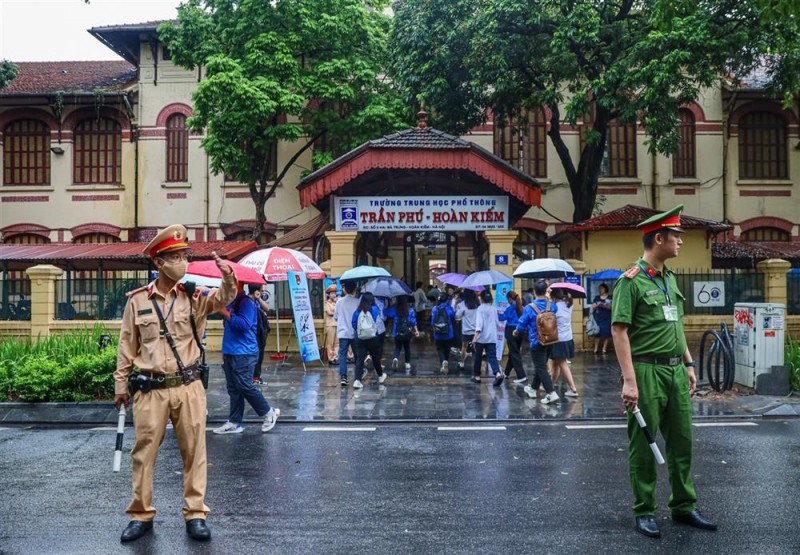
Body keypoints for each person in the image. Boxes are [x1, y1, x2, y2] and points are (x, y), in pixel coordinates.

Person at [114, 225, 237, 543]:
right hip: (150, 389)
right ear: (158, 262)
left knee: (195, 451)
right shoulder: (138, 301)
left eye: (184, 256)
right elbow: (127, 345)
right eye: (174, 257)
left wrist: (227, 277)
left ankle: (195, 513)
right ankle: (141, 514)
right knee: (143, 453)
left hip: (188, 386)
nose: (181, 262)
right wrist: (120, 386)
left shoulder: (194, 297)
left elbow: (224, 298)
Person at [611, 204, 716, 538]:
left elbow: (676, 324)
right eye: (676, 236)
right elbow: (619, 331)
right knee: (643, 445)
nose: (681, 242)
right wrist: (629, 381)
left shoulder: (670, 280)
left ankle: (684, 506)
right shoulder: (631, 281)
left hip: (674, 372)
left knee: (682, 441)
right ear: (659, 238)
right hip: (645, 371)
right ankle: (644, 510)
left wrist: (688, 362)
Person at [214, 284, 280, 435]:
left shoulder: (246, 302)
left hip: (244, 352)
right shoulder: (231, 301)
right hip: (231, 351)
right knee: (233, 388)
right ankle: (234, 422)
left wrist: (225, 312)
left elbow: (244, 325)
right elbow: (229, 328)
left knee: (244, 385)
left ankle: (269, 412)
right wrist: (225, 350)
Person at [514, 280, 560, 404]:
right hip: (551, 340)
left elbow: (522, 323)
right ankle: (533, 389)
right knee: (541, 366)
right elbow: (554, 311)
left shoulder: (530, 307)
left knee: (541, 368)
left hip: (537, 341)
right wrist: (548, 298)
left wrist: (516, 332)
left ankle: (551, 393)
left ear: (534, 291)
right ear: (546, 291)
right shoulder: (552, 305)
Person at [351, 292, 387, 388]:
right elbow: (376, 320)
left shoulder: (357, 311)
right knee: (375, 357)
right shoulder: (374, 309)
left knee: (360, 359)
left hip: (360, 338)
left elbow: (353, 323)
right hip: (372, 338)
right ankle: (380, 376)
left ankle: (357, 380)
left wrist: (359, 331)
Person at [549, 288, 578, 396]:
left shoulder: (554, 307)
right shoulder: (569, 305)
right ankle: (550, 385)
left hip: (558, 339)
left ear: (554, 297)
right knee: (556, 363)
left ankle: (573, 388)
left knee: (562, 363)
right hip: (568, 338)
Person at [471, 290, 504, 385]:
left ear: (481, 298)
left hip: (481, 338)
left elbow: (479, 325)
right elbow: (497, 323)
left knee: (478, 357)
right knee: (492, 357)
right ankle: (497, 374)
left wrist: (474, 338)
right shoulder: (493, 308)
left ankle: (477, 376)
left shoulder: (480, 309)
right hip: (492, 337)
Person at [383, 295, 420, 372]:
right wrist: (416, 331)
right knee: (407, 347)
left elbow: (386, 313)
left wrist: (386, 306)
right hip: (407, 331)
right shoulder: (410, 310)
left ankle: (396, 358)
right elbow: (413, 321)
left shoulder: (395, 309)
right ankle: (407, 363)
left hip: (397, 332)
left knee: (398, 347)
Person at [498, 290, 527, 385]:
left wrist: (496, 312)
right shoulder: (522, 307)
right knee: (513, 352)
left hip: (511, 331)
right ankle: (506, 373)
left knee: (514, 353)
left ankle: (521, 375)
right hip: (520, 331)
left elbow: (502, 318)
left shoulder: (510, 308)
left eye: (507, 299)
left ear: (510, 298)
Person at [335, 281, 361, 386]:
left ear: (345, 290)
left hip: (342, 333)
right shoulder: (357, 302)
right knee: (357, 355)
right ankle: (357, 376)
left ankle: (343, 377)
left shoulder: (339, 302)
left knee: (342, 355)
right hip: (354, 332)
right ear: (354, 289)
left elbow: (336, 317)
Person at [249, 284, 270, 385]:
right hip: (253, 333)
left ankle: (257, 375)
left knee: (260, 355)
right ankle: (253, 376)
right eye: (261, 290)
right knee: (255, 356)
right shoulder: (248, 301)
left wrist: (259, 299)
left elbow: (267, 308)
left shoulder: (257, 301)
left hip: (260, 332)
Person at [431, 292, 456, 373]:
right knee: (447, 349)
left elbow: (432, 322)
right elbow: (454, 316)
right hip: (448, 333)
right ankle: (446, 361)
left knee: (440, 349)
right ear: (447, 300)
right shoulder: (449, 309)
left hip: (438, 333)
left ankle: (443, 363)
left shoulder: (434, 309)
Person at [455, 289, 479, 371]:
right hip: (476, 330)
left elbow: (457, 316)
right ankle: (477, 364)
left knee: (464, 347)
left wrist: (456, 305)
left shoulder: (462, 304)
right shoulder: (477, 304)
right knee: (476, 348)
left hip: (466, 330)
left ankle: (462, 363)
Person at [591, 283, 613, 354]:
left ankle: (604, 348)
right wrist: (598, 304)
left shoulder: (610, 297)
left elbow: (612, 308)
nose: (600, 290)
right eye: (599, 289)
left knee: (606, 333)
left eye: (601, 288)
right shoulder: (597, 297)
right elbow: (593, 307)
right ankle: (596, 348)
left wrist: (604, 305)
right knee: (597, 333)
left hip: (607, 317)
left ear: (605, 289)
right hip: (598, 317)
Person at [324, 285, 340, 366]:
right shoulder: (327, 303)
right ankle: (330, 358)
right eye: (332, 293)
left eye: (335, 293)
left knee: (337, 343)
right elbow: (329, 313)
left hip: (337, 324)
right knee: (330, 343)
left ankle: (335, 357)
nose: (334, 295)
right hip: (330, 325)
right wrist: (336, 313)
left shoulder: (336, 303)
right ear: (329, 295)